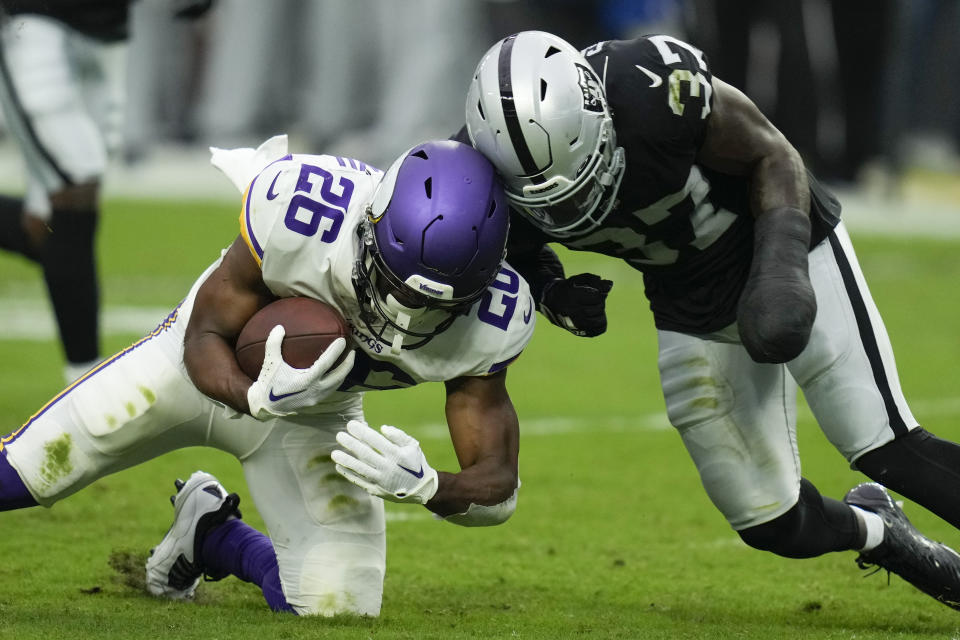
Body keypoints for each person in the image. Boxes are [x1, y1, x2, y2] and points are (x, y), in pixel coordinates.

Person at [459, 30, 960, 609]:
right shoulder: (483, 173)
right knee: (770, 519)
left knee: (884, 445)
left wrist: (780, 267)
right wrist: (550, 291)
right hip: (685, 299)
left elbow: (772, 152)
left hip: (772, 237)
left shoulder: (647, 88)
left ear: (597, 114)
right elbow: (511, 245)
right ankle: (883, 532)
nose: (566, 208)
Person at [0, 136, 535, 616]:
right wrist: (252, 395)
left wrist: (428, 485)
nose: (407, 315)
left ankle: (211, 534)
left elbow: (498, 487)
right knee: (28, 471)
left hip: (316, 413)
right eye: (398, 286)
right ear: (370, 223)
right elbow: (203, 336)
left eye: (432, 303)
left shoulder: (497, 316)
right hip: (195, 367)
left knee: (337, 606)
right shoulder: (303, 207)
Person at [0, 0, 212, 383]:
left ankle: (86, 385)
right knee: (75, 178)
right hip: (29, 22)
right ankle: (86, 388)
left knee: (50, 229)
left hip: (107, 30)